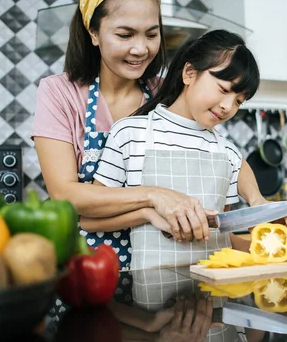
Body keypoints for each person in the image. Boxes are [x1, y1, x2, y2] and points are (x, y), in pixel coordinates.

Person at [30, 0, 279, 272]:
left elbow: (225, 153)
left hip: (165, 269)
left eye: (152, 34)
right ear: (93, 33)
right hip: (87, 266)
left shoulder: (165, 93)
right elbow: (65, 195)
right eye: (125, 34)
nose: (141, 48)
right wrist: (155, 197)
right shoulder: (60, 93)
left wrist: (257, 199)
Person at [93, 29, 259, 270]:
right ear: (189, 73)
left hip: (215, 296)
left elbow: (221, 238)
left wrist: (273, 247)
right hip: (150, 297)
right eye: (223, 90)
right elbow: (92, 219)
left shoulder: (228, 154)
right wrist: (148, 213)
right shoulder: (131, 133)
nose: (227, 106)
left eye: (239, 101)